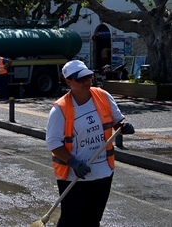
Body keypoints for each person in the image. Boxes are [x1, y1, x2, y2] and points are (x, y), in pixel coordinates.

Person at [45, 60, 135, 226]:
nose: (86, 82)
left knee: (93, 220)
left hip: (103, 172)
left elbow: (117, 120)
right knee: (71, 221)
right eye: (80, 79)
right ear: (69, 82)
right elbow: (52, 142)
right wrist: (73, 163)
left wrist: (123, 126)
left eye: (88, 77)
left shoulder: (102, 96)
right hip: (74, 176)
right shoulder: (60, 109)